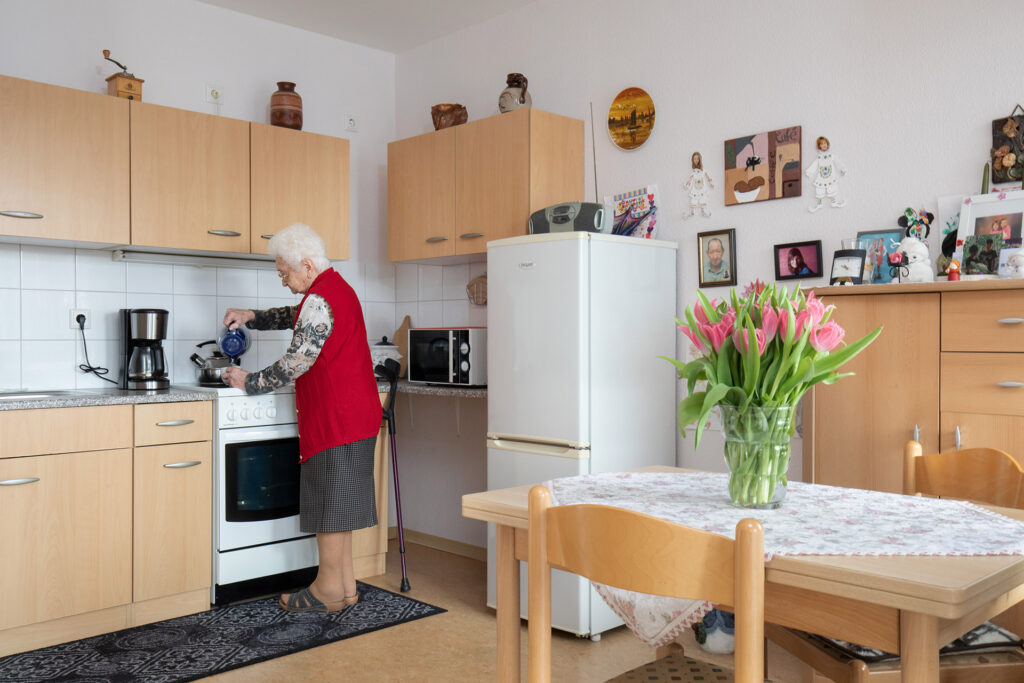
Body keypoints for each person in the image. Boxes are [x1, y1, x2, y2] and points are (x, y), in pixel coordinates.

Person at [221, 223, 382, 613]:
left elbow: (295, 362)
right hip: (357, 414)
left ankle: (326, 591)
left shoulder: (319, 299)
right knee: (340, 506)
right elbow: (298, 315)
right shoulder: (334, 289)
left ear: (307, 266)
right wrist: (253, 316)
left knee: (328, 506)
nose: (284, 281)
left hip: (335, 418)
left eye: (285, 273)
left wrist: (249, 381)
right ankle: (344, 588)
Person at [804, 135, 847, 212]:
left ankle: (834, 201)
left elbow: (837, 162)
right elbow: (815, 164)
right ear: (819, 146)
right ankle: (819, 203)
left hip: (830, 175)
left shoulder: (831, 156)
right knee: (820, 187)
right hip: (821, 175)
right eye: (821, 144)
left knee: (831, 186)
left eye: (825, 143)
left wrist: (842, 169)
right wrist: (809, 172)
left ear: (827, 144)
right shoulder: (819, 157)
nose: (823, 145)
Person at [683, 151, 714, 219]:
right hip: (695, 187)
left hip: (702, 187)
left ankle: (703, 211)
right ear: (692, 160)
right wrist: (687, 183)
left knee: (703, 198)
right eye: (694, 159)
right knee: (694, 199)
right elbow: (691, 178)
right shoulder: (693, 171)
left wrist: (710, 182)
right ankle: (692, 212)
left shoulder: (703, 170)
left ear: (700, 159)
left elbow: (707, 176)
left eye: (697, 158)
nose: (696, 160)